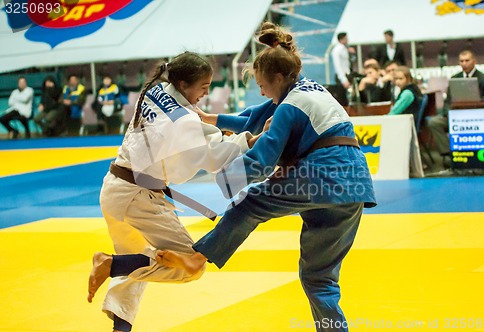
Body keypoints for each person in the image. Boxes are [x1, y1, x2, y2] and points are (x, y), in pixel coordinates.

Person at [156, 23, 376, 332]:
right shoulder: (308, 88)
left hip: (322, 176)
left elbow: (261, 162)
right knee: (318, 278)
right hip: (355, 185)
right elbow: (254, 115)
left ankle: (199, 257)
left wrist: (221, 180)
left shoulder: (289, 107)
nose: (260, 90)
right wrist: (210, 119)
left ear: (276, 78)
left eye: (261, 84)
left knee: (249, 203)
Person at [87, 52, 260, 332]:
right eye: (203, 86)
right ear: (183, 83)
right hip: (138, 197)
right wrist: (248, 144)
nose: (206, 92)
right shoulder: (183, 121)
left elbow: (195, 130)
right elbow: (210, 158)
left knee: (137, 265)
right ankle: (108, 264)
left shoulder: (156, 90)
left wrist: (242, 138)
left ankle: (120, 324)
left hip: (114, 187)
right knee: (190, 265)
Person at [427, 49, 484, 158]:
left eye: (467, 60)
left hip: (477, 117)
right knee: (434, 122)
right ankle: (448, 154)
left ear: (474, 61)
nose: (464, 64)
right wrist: (448, 113)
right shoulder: (454, 78)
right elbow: (448, 101)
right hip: (456, 116)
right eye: (462, 61)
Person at [331, 32, 355, 106]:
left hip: (348, 74)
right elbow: (338, 66)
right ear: (342, 39)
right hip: (342, 76)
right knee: (342, 98)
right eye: (346, 38)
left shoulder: (345, 48)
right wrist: (344, 80)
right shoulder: (337, 50)